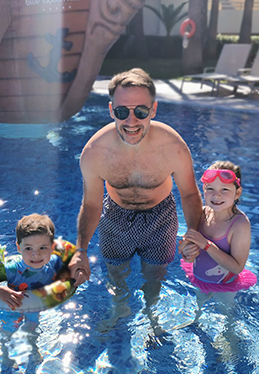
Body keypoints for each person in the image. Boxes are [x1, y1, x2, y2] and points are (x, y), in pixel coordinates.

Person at [69, 68, 203, 337]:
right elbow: (92, 204)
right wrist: (80, 250)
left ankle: (153, 315)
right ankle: (120, 307)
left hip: (161, 217)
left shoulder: (173, 147)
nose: (131, 120)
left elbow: (189, 194)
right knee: (115, 270)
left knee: (155, 274)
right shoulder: (95, 153)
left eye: (140, 111)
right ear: (110, 110)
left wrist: (195, 235)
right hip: (115, 217)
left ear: (153, 110)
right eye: (122, 112)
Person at [0, 213, 66, 364]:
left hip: (33, 309)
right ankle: (5, 353)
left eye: (43, 247)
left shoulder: (52, 270)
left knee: (32, 331)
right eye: (28, 248)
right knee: (7, 332)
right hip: (10, 308)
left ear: (52, 247)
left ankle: (33, 349)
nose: (36, 254)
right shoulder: (13, 269)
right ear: (18, 247)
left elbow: (68, 280)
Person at [178, 161, 256, 341]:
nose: (216, 195)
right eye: (210, 189)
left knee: (225, 314)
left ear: (237, 193)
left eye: (225, 190)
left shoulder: (240, 224)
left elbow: (237, 267)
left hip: (226, 283)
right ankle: (195, 322)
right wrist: (186, 250)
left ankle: (229, 337)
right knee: (199, 303)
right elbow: (186, 245)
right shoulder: (202, 213)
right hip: (200, 277)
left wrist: (206, 245)